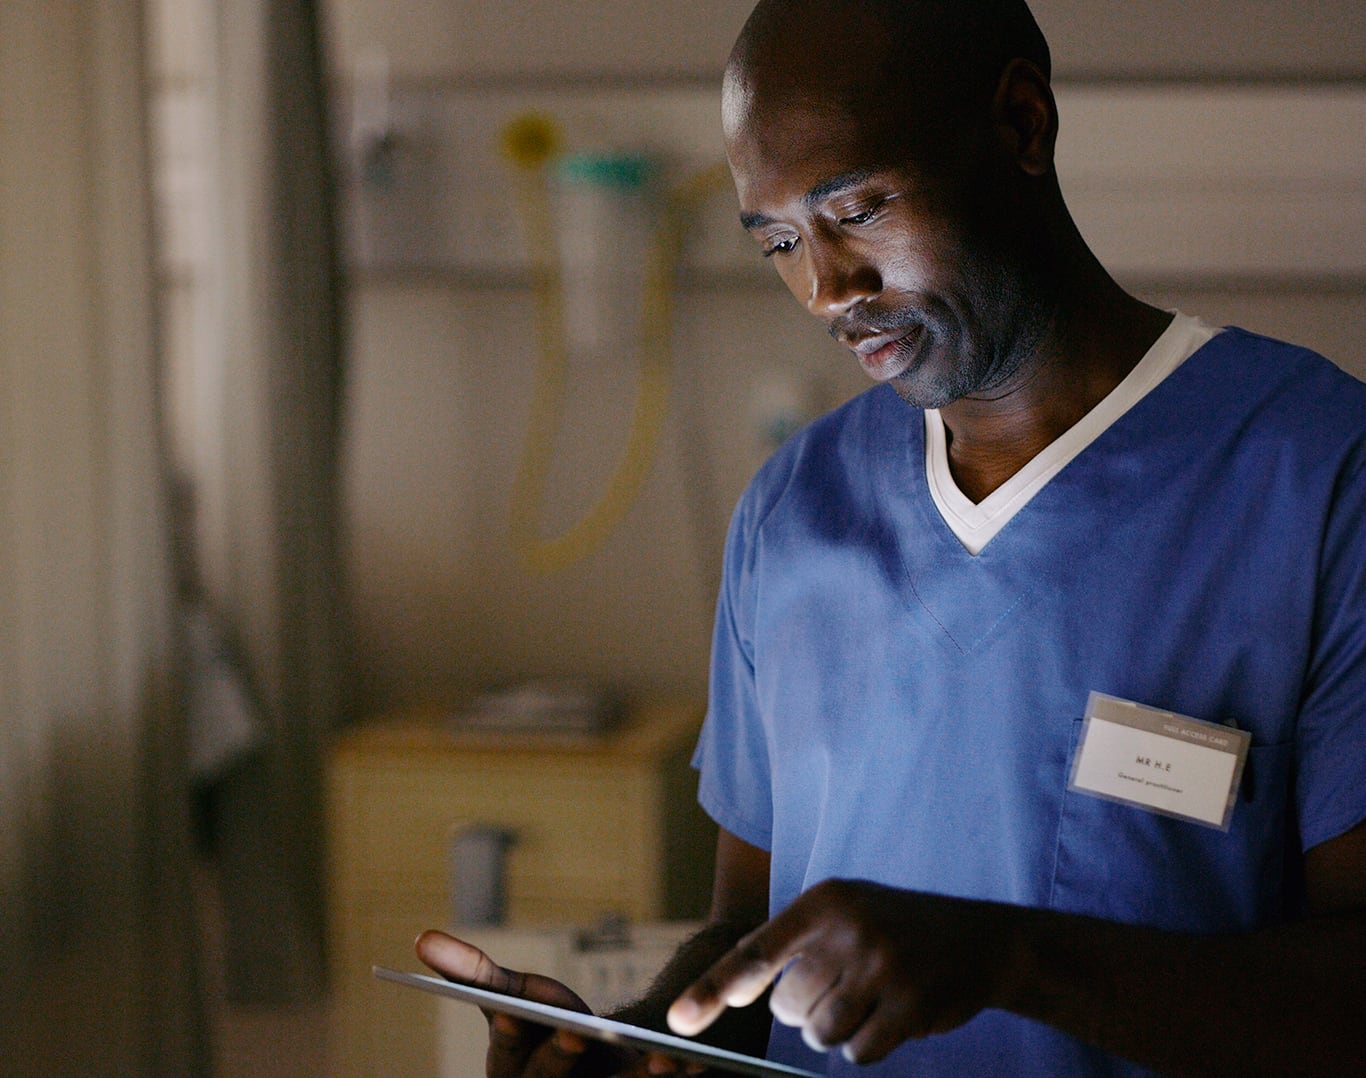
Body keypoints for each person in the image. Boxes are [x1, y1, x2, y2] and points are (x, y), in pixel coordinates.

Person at [416, 1, 1366, 1074]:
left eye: (859, 208)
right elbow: (750, 948)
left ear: (1019, 124)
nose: (826, 289)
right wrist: (633, 1042)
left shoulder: (1321, 481)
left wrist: (1012, 962)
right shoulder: (793, 514)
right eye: (778, 239)